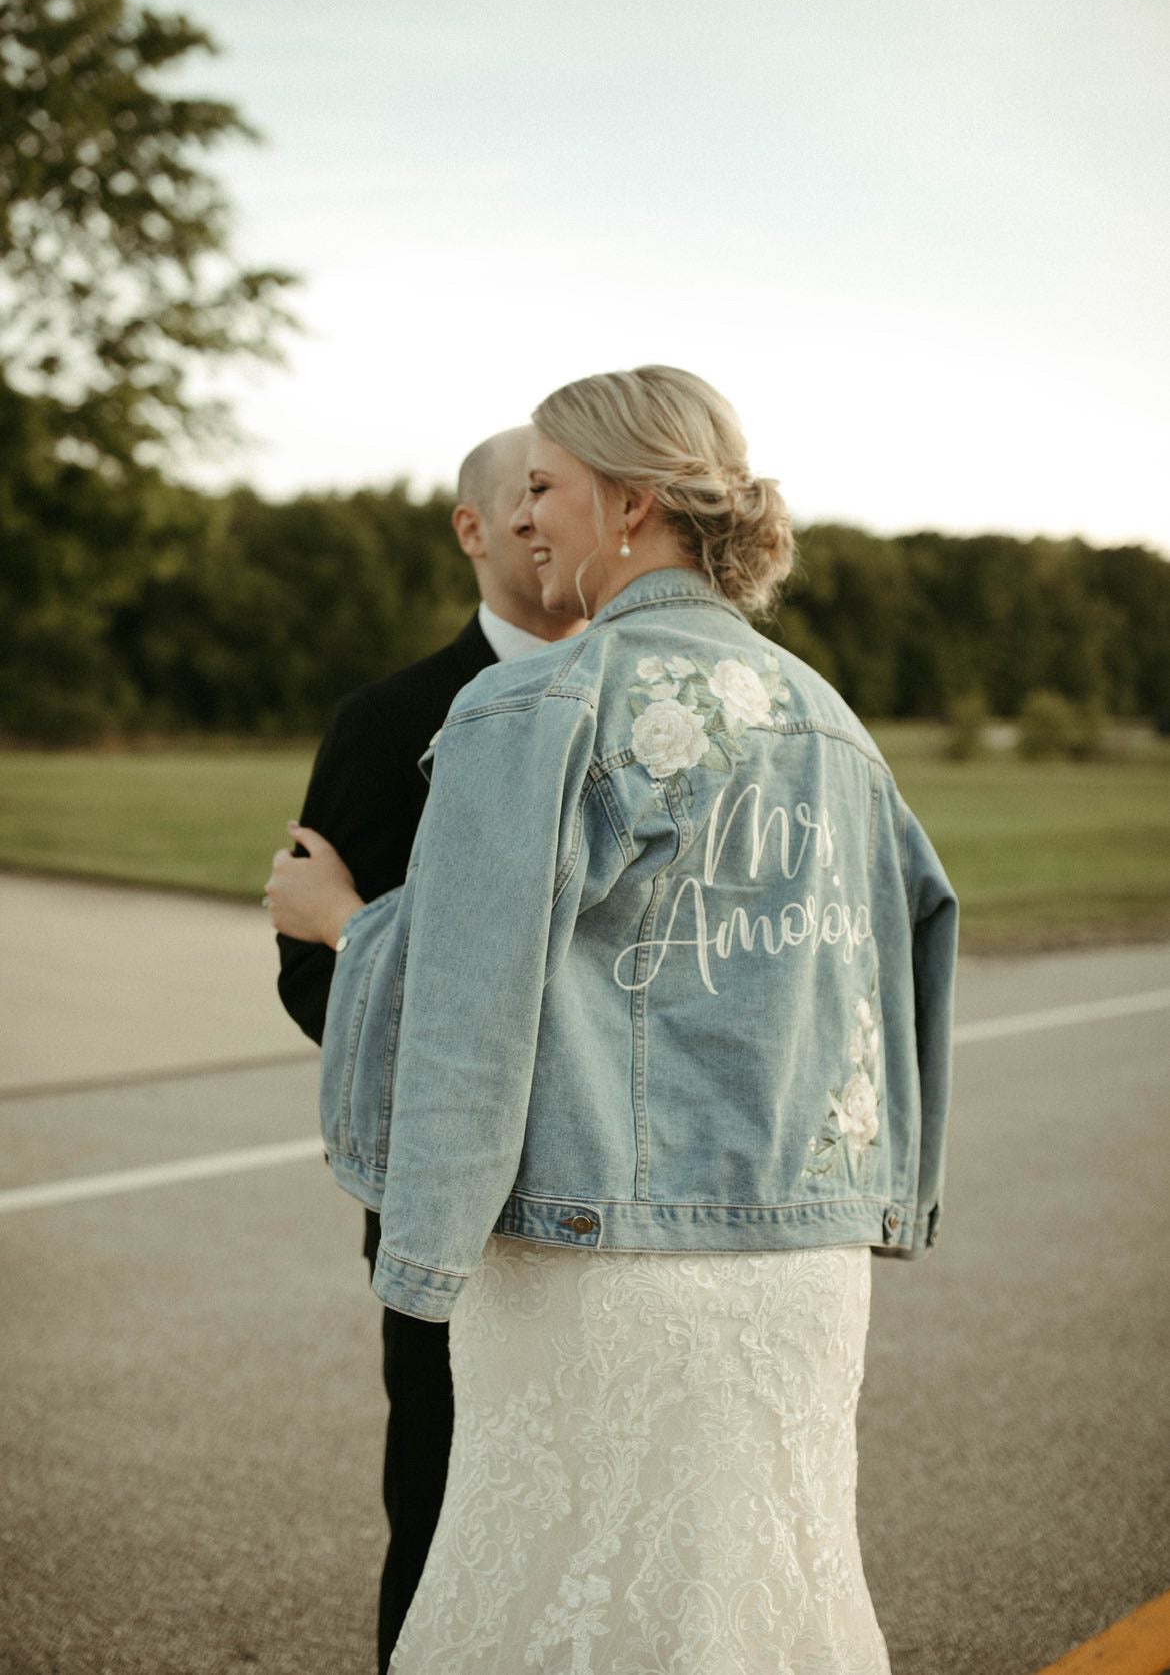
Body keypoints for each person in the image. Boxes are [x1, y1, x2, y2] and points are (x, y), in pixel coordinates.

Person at [279, 365, 958, 1672]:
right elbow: (910, 940)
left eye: (544, 486)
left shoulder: (536, 700)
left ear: (632, 501)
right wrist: (891, 1192)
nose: (523, 518)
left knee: (548, 1611)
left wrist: (418, 1257)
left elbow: (468, 1006)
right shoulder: (830, 719)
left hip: (595, 1266)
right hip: (801, 1269)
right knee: (758, 1604)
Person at [267, 425, 586, 1671]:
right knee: (444, 1516)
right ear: (471, 527)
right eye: (522, 499)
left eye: (561, 498)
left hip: (619, 1205)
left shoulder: (640, 696)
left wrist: (368, 937)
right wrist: (366, 953)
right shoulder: (389, 717)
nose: (537, 522)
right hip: (441, 1201)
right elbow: (308, 974)